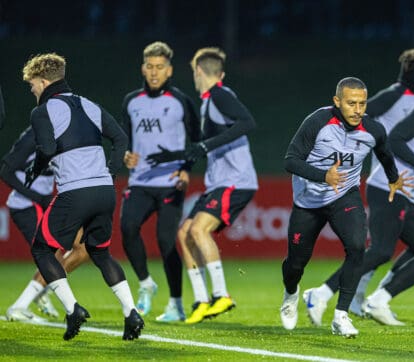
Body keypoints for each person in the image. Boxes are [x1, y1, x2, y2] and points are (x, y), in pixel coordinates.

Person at [301, 49, 414, 326]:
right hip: (389, 181)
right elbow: (356, 117)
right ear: (412, 69)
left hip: (412, 186)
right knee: (381, 250)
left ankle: (374, 298)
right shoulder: (395, 94)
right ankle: (328, 293)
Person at [279, 77, 413, 338]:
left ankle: (341, 316)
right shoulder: (317, 122)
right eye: (351, 103)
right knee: (296, 264)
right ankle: (291, 294)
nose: (358, 109)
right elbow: (290, 161)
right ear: (337, 102)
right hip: (308, 201)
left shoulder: (373, 130)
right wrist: (323, 176)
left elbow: (385, 154)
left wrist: (394, 178)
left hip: (345, 197)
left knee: (356, 246)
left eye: (362, 103)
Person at [23, 53, 143, 340]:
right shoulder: (89, 104)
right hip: (104, 191)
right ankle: (131, 313)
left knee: (41, 250)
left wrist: (34, 169)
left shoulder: (42, 111)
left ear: (42, 80)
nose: (33, 92)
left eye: (32, 86)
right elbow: (121, 139)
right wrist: (111, 172)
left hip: (75, 192)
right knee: (99, 251)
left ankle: (72, 309)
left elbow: (48, 148)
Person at [146, 47, 258, 324]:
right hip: (218, 182)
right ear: (220, 72)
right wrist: (172, 157)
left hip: (235, 180)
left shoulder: (220, 94)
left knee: (198, 229)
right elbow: (201, 148)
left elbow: (247, 123)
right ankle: (201, 299)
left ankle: (221, 295)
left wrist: (205, 145)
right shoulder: (209, 102)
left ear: (198, 71)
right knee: (185, 233)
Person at [120, 41, 200, 322]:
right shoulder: (131, 101)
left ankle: (176, 305)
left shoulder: (180, 101)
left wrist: (186, 168)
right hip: (140, 181)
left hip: (170, 182)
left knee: (166, 242)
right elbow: (127, 140)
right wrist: (126, 155)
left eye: (160, 67)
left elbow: (197, 141)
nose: (154, 72)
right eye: (150, 67)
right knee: (127, 228)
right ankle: (146, 285)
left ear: (169, 71)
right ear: (143, 68)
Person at [0, 127, 89, 322]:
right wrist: (37, 196)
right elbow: (6, 171)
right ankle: (20, 306)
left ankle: (42, 288)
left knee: (83, 248)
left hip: (47, 203)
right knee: (51, 255)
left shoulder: (65, 136)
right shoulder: (34, 135)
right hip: (26, 206)